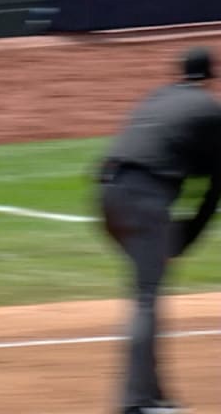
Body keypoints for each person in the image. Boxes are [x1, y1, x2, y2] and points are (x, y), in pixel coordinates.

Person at [97, 46, 221, 414]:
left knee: (145, 291)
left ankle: (154, 395)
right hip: (144, 196)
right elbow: (214, 190)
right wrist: (184, 241)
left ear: (181, 73)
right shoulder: (211, 113)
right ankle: (136, 404)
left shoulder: (159, 96)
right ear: (211, 78)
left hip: (107, 192)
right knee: (148, 297)